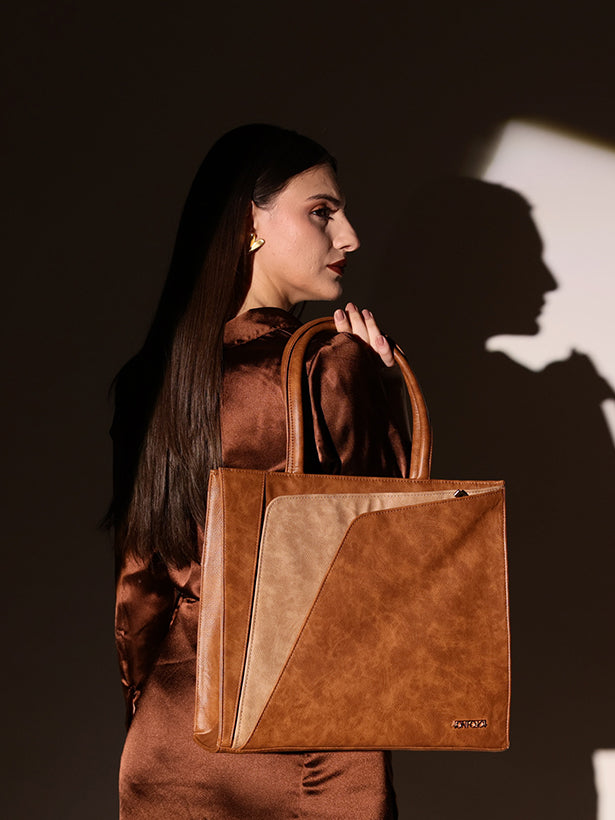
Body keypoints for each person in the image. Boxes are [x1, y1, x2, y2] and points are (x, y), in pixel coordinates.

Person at [109, 124, 411, 819]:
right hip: (313, 743)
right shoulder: (329, 364)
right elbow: (392, 556)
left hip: (173, 736)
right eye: (322, 211)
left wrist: (148, 706)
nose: (349, 236)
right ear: (250, 220)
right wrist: (378, 389)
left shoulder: (151, 379)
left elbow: (139, 585)